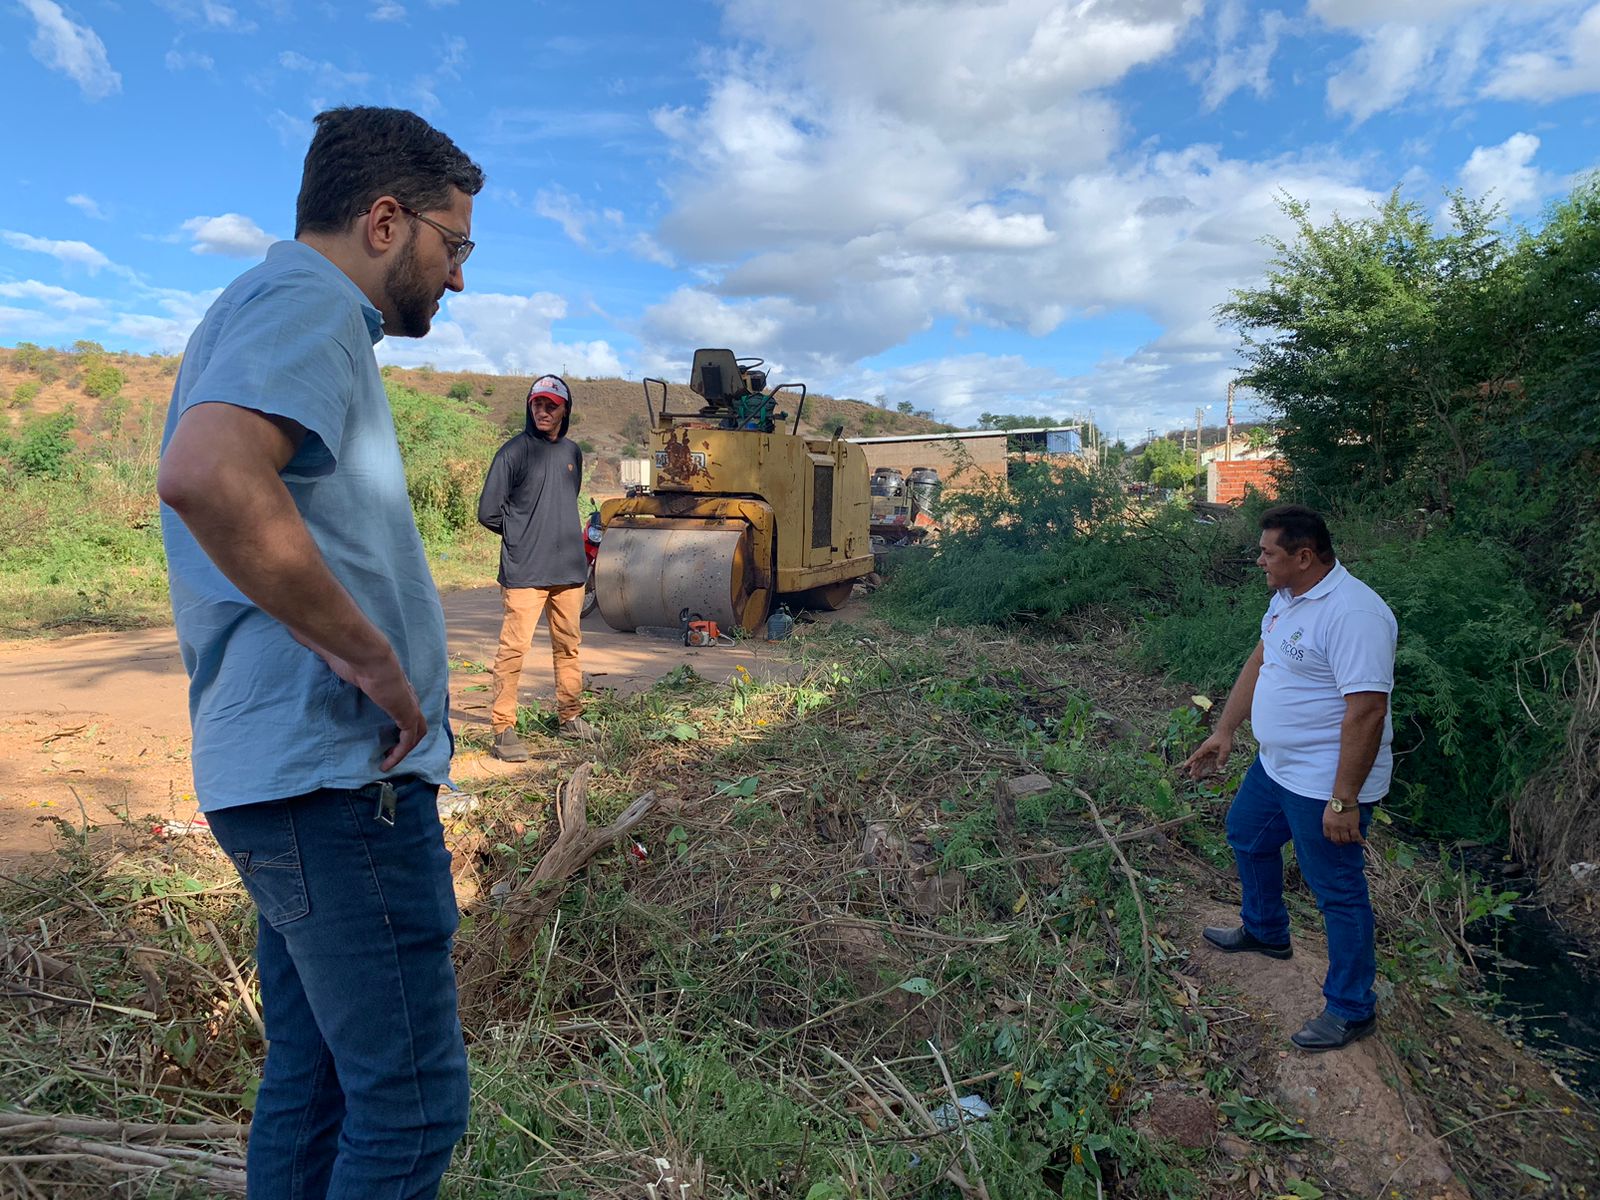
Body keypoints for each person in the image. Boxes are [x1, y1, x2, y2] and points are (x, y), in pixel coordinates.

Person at [156, 106, 482, 1196]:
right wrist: (371, 658)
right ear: (386, 221)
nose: (459, 277)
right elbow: (210, 472)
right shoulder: (308, 301)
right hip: (341, 782)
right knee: (412, 1106)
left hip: (296, 783)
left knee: (319, 1082)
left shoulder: (258, 305)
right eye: (455, 244)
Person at [1183, 504, 1397, 1052]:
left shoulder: (1354, 614)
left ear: (1304, 557)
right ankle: (1266, 931)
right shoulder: (1288, 598)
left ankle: (1351, 1009)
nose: (1259, 561)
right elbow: (1261, 662)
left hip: (1325, 782)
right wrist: (1226, 731)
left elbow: (1367, 711)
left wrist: (1344, 799)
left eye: (1268, 552)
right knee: (1247, 835)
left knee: (1338, 892)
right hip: (1276, 766)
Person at [477, 373, 595, 759]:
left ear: (565, 410)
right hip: (525, 573)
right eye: (537, 404)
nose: (543, 411)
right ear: (529, 408)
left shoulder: (572, 453)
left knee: (569, 648)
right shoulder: (513, 453)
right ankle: (503, 729)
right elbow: (489, 512)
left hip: (569, 573)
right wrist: (523, 537)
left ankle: (570, 717)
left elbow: (563, 500)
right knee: (513, 650)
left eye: (551, 405)